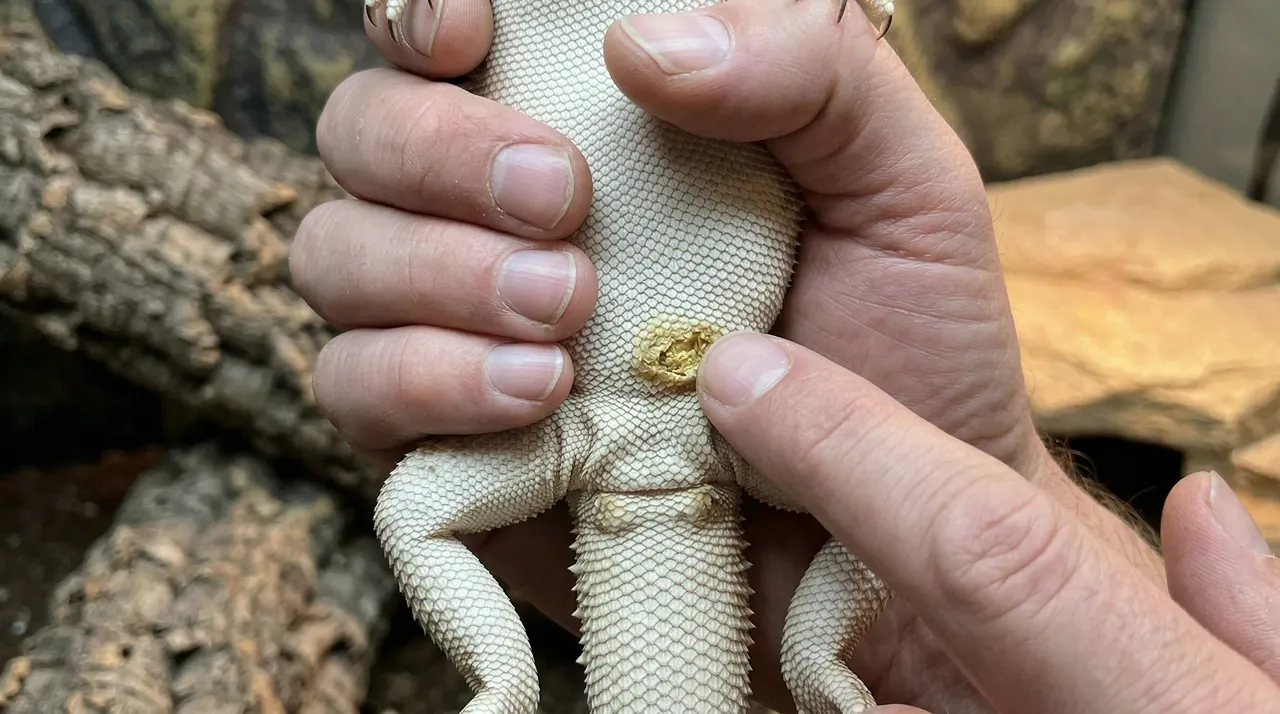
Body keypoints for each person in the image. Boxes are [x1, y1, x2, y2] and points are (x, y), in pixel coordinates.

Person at [288, 1, 1280, 711]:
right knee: (413, 506)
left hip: (713, 431)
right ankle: (501, 684)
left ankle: (815, 654)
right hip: (581, 429)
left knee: (870, 510)